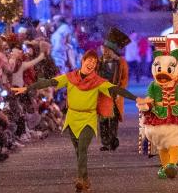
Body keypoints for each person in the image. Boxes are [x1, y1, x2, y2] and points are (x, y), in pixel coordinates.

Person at [15, 49, 146, 193]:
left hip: (88, 119)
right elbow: (49, 82)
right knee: (78, 150)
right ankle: (85, 179)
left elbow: (117, 89)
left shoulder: (98, 82)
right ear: (83, 61)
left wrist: (137, 98)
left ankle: (80, 179)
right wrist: (28, 88)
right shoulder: (70, 77)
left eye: (94, 62)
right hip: (72, 118)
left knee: (82, 148)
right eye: (89, 60)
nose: (91, 63)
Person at [97, 28, 130, 152]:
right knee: (103, 119)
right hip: (103, 94)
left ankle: (112, 140)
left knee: (114, 119)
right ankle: (105, 142)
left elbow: (124, 79)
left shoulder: (121, 63)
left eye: (107, 49)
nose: (105, 51)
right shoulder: (99, 62)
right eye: (104, 49)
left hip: (115, 93)